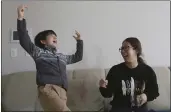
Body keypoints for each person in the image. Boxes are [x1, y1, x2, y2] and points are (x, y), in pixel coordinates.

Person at [17, 5, 83, 111]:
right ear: (43, 41)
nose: (55, 37)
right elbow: (24, 40)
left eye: (56, 36)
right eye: (52, 35)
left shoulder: (61, 56)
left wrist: (79, 41)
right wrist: (20, 19)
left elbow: (78, 57)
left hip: (62, 92)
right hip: (48, 89)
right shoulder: (38, 52)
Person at [99, 37, 159, 112]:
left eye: (126, 48)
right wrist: (103, 87)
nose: (123, 51)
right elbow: (108, 94)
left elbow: (154, 92)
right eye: (121, 48)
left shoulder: (147, 71)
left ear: (136, 50)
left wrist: (145, 96)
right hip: (119, 109)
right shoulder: (115, 70)